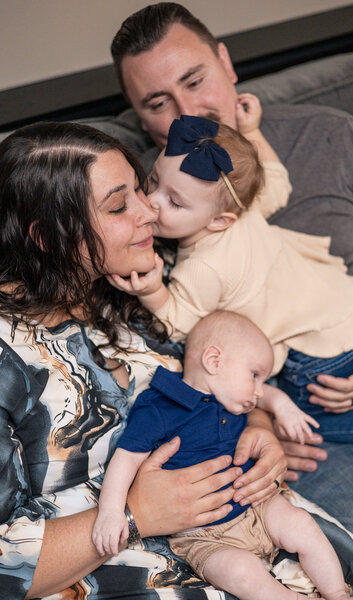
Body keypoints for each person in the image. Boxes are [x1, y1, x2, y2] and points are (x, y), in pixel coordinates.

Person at [110, 3, 353, 586]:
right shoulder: (149, 202)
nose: (186, 111)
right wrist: (258, 424)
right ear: (141, 119)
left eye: (194, 81)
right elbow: (186, 354)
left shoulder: (328, 133)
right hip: (293, 417)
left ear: (226, 62)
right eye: (157, 103)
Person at [0, 120, 288, 600]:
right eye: (119, 205)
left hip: (251, 515)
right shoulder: (8, 357)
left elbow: (221, 360)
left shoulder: (144, 277)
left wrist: (258, 424)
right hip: (132, 564)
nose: (149, 210)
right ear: (48, 237)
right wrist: (136, 514)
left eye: (141, 188)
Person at [112, 112, 353, 450]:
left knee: (291, 413)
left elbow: (181, 322)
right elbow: (278, 183)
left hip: (324, 356)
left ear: (220, 221)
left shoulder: (204, 266)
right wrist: (252, 131)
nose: (154, 203)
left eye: (175, 201)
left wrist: (153, 290)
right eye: (153, 180)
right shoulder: (244, 206)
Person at [92, 310, 353, 600]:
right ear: (214, 361)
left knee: (302, 524)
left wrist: (283, 406)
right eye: (254, 376)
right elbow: (126, 458)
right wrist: (112, 512)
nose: (258, 392)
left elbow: (265, 395)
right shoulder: (160, 405)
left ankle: (338, 595)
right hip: (200, 535)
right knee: (241, 573)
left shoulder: (230, 397)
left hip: (257, 506)